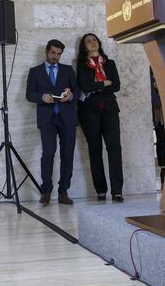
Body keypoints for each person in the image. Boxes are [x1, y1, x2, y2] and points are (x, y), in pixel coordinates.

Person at [26, 40, 79, 205]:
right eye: (53, 53)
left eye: (59, 54)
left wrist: (70, 96)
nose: (55, 56)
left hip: (67, 118)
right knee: (48, 154)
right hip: (47, 119)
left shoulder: (68, 70)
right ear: (47, 52)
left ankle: (63, 192)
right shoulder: (35, 71)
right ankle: (46, 191)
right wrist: (42, 97)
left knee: (67, 155)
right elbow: (29, 94)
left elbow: (77, 91)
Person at [76, 33, 124, 202]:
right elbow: (85, 86)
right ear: (84, 47)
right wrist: (104, 83)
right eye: (88, 41)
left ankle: (117, 190)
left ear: (99, 43)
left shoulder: (110, 64)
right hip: (90, 111)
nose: (92, 42)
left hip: (110, 109)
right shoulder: (81, 65)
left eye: (94, 40)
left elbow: (116, 85)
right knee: (95, 149)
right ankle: (101, 190)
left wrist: (96, 88)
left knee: (114, 148)